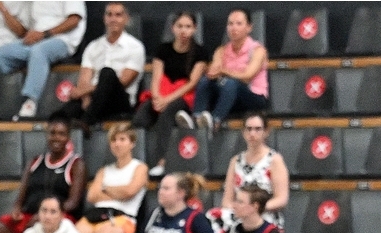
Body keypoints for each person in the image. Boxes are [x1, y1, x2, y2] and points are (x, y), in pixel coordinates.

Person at [0, 117, 83, 233]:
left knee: (34, 227)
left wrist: (46, 213)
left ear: (68, 137)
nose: (56, 138)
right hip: (29, 216)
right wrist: (16, 209)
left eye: (61, 134)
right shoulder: (35, 162)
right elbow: (21, 197)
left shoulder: (76, 164)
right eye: (52, 133)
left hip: (59, 217)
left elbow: (73, 203)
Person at [0, 0, 85, 121]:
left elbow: (74, 20)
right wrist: (33, 35)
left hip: (62, 40)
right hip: (36, 39)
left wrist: (45, 34)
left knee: (38, 52)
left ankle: (29, 101)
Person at [78, 122, 148, 233]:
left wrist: (105, 189)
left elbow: (130, 191)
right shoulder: (104, 170)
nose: (117, 144)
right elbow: (92, 196)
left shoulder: (139, 168)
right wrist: (119, 192)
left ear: (132, 143)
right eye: (114, 140)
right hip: (97, 214)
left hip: (123, 218)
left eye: (122, 139)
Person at [53, 2, 144, 126]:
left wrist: (84, 91)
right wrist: (85, 97)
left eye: (118, 15)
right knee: (63, 114)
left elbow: (124, 81)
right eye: (109, 15)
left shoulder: (135, 47)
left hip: (119, 101)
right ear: (104, 18)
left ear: (126, 19)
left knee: (107, 73)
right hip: (91, 97)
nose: (113, 19)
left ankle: (86, 122)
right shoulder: (93, 46)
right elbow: (84, 79)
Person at [133, 10, 207, 148]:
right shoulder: (163, 49)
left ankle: (162, 158)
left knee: (167, 114)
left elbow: (192, 83)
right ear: (173, 28)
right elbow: (156, 77)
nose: (183, 31)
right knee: (140, 117)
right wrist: (156, 98)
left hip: (184, 96)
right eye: (180, 26)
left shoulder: (200, 52)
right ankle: (137, 155)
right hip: (161, 93)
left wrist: (167, 100)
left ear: (194, 29)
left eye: (188, 27)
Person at [194, 8, 268, 134]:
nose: (234, 28)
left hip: (252, 97)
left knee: (231, 83)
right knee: (205, 81)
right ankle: (197, 118)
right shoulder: (221, 50)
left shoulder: (258, 50)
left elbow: (247, 76)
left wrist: (223, 71)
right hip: (228, 95)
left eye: (239, 24)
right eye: (230, 24)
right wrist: (210, 72)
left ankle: (215, 121)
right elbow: (214, 71)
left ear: (249, 27)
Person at [223, 113, 288, 226]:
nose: (252, 133)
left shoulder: (274, 160)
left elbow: (281, 199)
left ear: (266, 131)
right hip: (240, 221)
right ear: (243, 132)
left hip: (266, 220)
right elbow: (227, 200)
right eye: (249, 129)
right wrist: (239, 209)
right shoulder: (235, 161)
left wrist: (254, 209)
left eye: (257, 129)